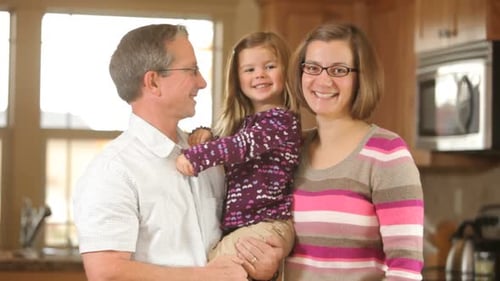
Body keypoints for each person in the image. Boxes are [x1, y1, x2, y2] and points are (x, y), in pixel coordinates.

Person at [73, 24, 283, 281]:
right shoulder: (113, 171)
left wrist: (264, 267)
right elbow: (107, 273)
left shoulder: (207, 156)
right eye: (192, 70)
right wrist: (205, 277)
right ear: (153, 82)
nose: (202, 82)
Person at [284, 23, 424, 281]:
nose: (323, 80)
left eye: (339, 70)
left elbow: (404, 271)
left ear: (362, 77)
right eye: (313, 67)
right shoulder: (291, 150)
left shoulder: (387, 154)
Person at [175, 31, 301, 273]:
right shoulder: (245, 124)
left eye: (270, 66)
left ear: (286, 72)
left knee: (209, 268)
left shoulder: (281, 121)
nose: (260, 75)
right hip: (245, 227)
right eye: (249, 70)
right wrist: (206, 133)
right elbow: (233, 143)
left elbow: (242, 145)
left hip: (268, 224)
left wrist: (197, 157)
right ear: (237, 79)